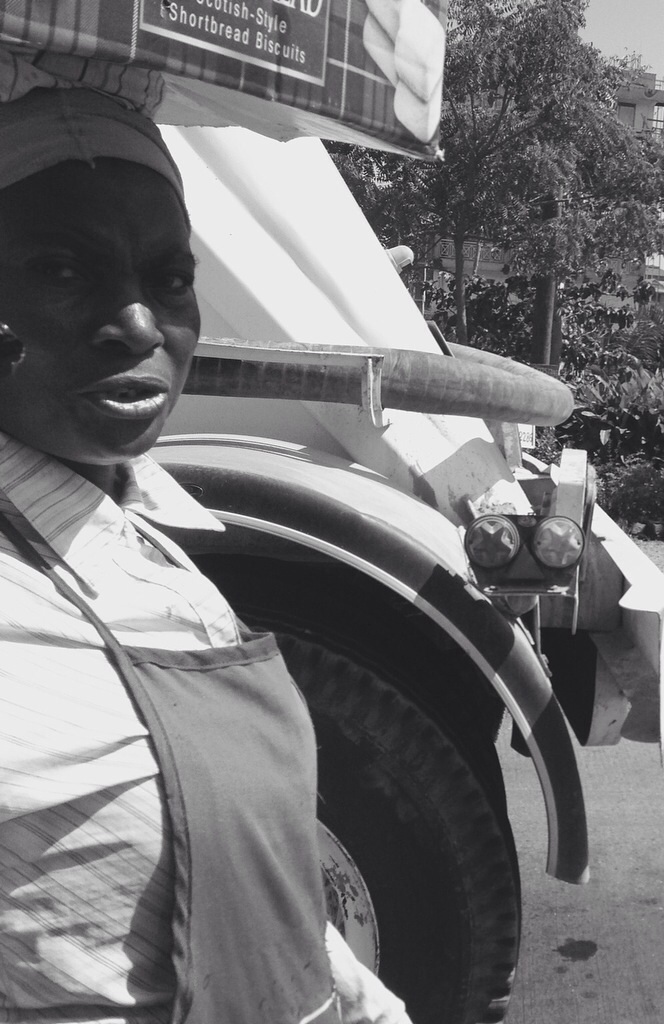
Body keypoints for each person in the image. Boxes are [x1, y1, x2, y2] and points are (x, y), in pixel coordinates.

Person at [0, 86, 413, 1024]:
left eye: (170, 278)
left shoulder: (152, 541)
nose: (140, 325)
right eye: (61, 269)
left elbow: (262, 886)